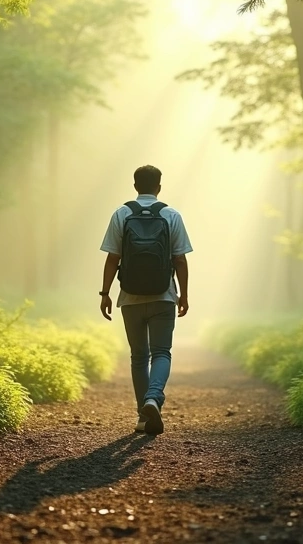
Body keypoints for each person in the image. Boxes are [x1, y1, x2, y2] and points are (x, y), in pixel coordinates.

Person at [99, 165, 192, 435]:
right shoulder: (171, 215)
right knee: (161, 352)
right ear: (159, 187)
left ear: (135, 185)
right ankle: (153, 400)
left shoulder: (122, 213)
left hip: (130, 297)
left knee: (139, 357)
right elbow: (180, 259)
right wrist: (183, 294)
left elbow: (112, 258)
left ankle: (144, 415)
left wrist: (105, 293)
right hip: (163, 296)